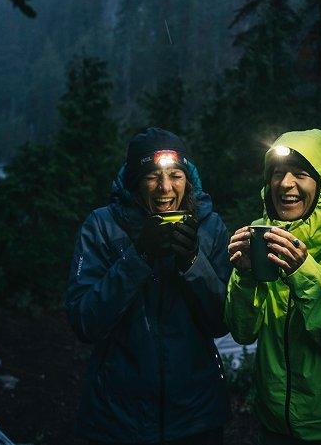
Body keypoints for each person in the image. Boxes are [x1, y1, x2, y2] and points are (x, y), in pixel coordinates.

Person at [67, 128, 232, 445]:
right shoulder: (102, 227)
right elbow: (84, 321)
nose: (165, 188)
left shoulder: (210, 227)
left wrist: (193, 262)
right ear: (134, 181)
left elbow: (221, 322)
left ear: (189, 178)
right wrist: (139, 256)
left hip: (195, 415)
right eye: (152, 177)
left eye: (176, 175)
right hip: (118, 417)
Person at [224, 130, 321, 444]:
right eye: (277, 174)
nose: (285, 184)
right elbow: (243, 333)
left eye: (300, 174)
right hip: (275, 425)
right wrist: (244, 278)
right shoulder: (260, 236)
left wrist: (302, 272)